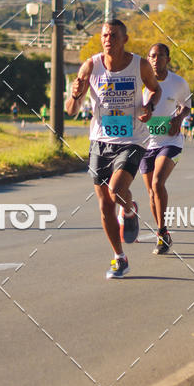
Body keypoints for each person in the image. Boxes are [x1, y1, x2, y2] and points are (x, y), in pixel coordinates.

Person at [65, 19, 161, 278]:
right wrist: (74, 95)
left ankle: (128, 209)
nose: (108, 39)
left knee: (116, 190)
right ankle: (119, 257)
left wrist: (149, 107)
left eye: (114, 35)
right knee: (105, 205)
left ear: (124, 39)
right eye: (105, 35)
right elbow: (71, 111)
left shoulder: (138, 65)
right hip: (100, 141)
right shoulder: (91, 66)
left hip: (132, 139)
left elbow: (155, 89)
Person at [139, 43, 191, 254]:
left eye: (161, 56)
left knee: (158, 182)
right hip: (146, 143)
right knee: (152, 193)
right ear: (148, 58)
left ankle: (160, 234)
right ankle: (163, 232)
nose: (156, 59)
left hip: (171, 141)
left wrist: (179, 117)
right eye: (152, 56)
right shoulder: (141, 82)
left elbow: (186, 104)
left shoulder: (177, 82)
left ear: (167, 59)